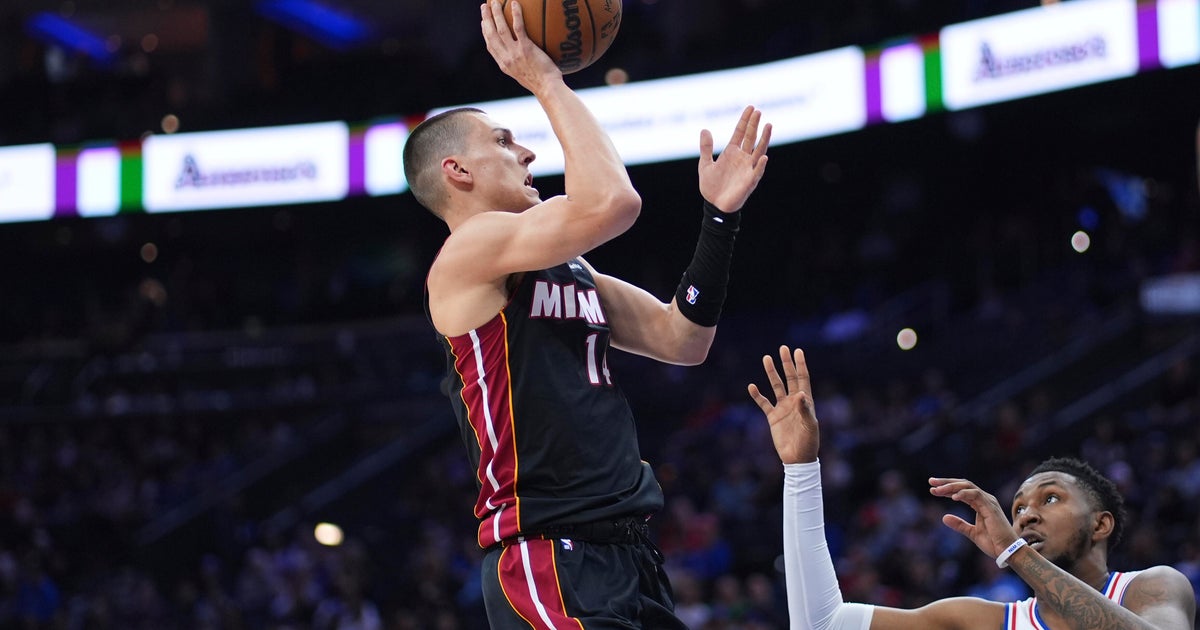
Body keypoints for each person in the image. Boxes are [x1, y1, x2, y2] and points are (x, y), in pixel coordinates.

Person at [402, 1, 771, 626]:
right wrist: (545, 79)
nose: (527, 153)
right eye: (502, 141)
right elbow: (611, 202)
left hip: (629, 554)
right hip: (548, 556)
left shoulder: (570, 270)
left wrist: (719, 219)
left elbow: (682, 338)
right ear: (456, 171)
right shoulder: (467, 253)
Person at [747, 345, 1197, 630]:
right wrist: (801, 469)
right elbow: (823, 624)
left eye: (1050, 498)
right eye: (1017, 509)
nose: (1027, 515)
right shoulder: (984, 620)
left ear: (1100, 524)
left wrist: (1015, 553)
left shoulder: (1152, 587)